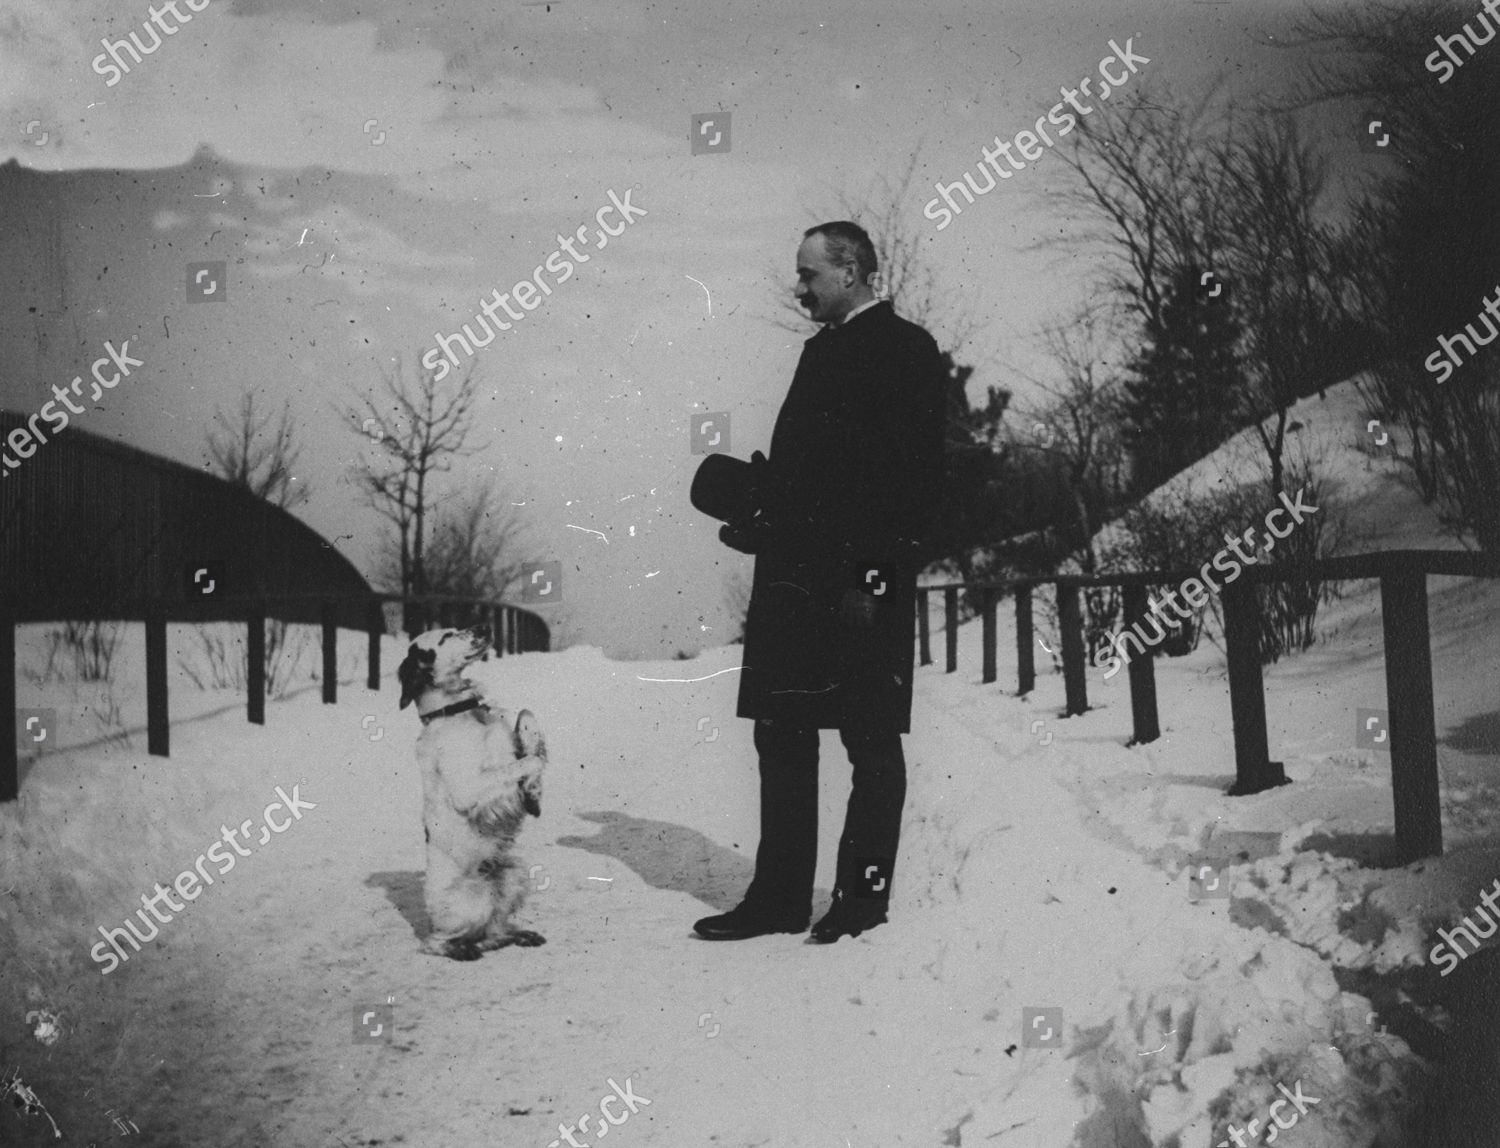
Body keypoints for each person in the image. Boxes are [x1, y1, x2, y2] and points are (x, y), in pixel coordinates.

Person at [692, 221, 946, 943]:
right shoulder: (820, 353)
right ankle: (777, 900)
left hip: (862, 588)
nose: (798, 288)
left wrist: (872, 580)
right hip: (795, 584)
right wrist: (762, 512)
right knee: (783, 736)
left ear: (854, 271)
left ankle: (863, 901)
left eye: (809, 275)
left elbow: (915, 487)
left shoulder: (908, 351)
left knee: (869, 742)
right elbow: (818, 480)